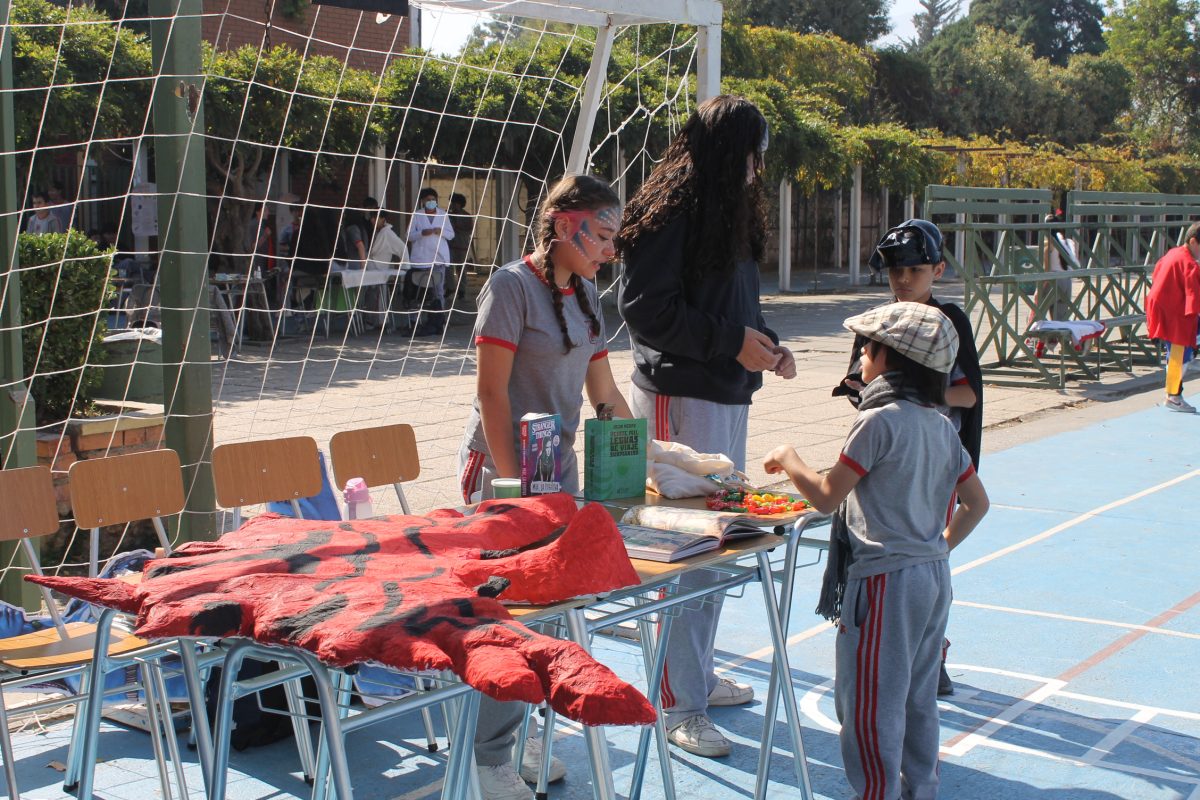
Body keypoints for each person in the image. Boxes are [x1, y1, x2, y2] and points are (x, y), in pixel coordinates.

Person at [617, 94, 796, 758]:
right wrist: (731, 342)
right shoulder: (668, 211)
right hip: (679, 401)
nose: (758, 166)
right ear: (728, 152)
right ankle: (676, 704)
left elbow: (736, 305)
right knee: (684, 556)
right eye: (752, 152)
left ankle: (692, 676)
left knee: (718, 550)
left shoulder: (728, 210)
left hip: (726, 397)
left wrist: (767, 345)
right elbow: (646, 311)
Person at [764, 302, 990, 800]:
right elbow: (976, 504)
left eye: (868, 348)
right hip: (932, 576)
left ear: (890, 360)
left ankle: (875, 793)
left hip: (885, 581)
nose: (861, 356)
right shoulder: (942, 426)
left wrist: (788, 456)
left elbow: (826, 497)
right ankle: (919, 789)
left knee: (870, 701)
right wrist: (937, 549)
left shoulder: (879, 422)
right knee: (916, 697)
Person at [457, 173, 631, 800]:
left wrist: (640, 453)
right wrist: (508, 486)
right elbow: (490, 392)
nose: (610, 250)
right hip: (505, 473)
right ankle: (487, 759)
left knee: (552, 617)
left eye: (613, 239)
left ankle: (521, 731)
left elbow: (605, 395)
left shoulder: (586, 294)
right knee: (507, 619)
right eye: (602, 236)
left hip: (557, 473)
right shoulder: (509, 287)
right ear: (565, 225)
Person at [833, 218, 983, 696]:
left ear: (938, 269)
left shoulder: (949, 321)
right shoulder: (879, 320)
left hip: (934, 462)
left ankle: (930, 652)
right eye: (896, 270)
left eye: (915, 270)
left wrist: (914, 405)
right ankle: (882, 644)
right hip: (884, 461)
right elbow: (859, 388)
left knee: (924, 559)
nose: (903, 280)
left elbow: (968, 397)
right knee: (881, 557)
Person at [1146, 220, 1200, 412]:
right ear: (1194, 241)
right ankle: (1173, 395)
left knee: (1179, 351)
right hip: (1174, 312)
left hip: (1162, 306)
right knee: (1180, 352)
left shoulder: (1173, 253)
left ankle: (1173, 393)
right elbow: (1194, 294)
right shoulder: (1189, 263)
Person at [406, 187, 455, 335]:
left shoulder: (443, 214)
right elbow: (409, 236)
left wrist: (441, 231)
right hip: (421, 260)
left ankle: (440, 320)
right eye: (428, 200)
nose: (431, 202)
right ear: (422, 201)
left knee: (438, 292)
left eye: (433, 200)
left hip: (438, 259)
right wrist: (422, 233)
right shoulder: (417, 215)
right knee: (419, 293)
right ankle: (415, 321)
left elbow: (451, 235)